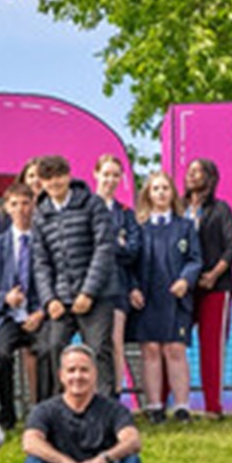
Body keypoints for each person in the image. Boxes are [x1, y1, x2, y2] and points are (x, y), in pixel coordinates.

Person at [31, 155, 121, 397]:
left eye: (58, 176)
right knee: (52, 347)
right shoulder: (40, 214)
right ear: (41, 182)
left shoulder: (93, 204)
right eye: (47, 178)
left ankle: (106, 410)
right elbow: (40, 263)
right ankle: (59, 409)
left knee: (99, 349)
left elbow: (104, 248)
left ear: (68, 176)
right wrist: (50, 300)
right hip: (61, 299)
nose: (54, 183)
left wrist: (88, 292)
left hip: (97, 295)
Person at [126, 171, 204, 422]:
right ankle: (155, 407)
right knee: (150, 350)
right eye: (155, 189)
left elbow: (195, 259)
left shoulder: (185, 226)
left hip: (176, 298)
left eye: (165, 188)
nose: (160, 193)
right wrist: (133, 287)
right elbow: (130, 263)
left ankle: (182, 407)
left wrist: (185, 280)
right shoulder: (139, 227)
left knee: (175, 350)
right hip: (147, 298)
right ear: (148, 194)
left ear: (172, 193)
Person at [0, 184, 48, 427]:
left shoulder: (45, 243)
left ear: (34, 206)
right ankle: (7, 412)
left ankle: (41, 413)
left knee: (47, 349)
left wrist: (41, 311)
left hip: (37, 316)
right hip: (6, 316)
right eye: (15, 204)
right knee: (2, 356)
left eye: (26, 203)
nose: (21, 209)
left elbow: (54, 281)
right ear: (7, 208)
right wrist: (4, 298)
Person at [182, 159, 232, 418]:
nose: (192, 175)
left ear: (210, 177)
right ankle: (163, 406)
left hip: (215, 287)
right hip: (184, 288)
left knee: (211, 347)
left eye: (198, 171)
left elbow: (231, 247)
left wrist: (214, 274)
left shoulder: (221, 210)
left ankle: (213, 408)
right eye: (190, 171)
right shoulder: (178, 208)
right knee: (172, 345)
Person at [96, 155, 140, 401]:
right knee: (94, 343)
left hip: (118, 285)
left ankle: (115, 394)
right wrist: (117, 243)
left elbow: (133, 250)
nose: (110, 180)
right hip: (87, 287)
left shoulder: (126, 214)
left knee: (115, 341)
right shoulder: (84, 208)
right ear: (96, 174)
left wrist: (109, 244)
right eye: (106, 174)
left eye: (115, 175)